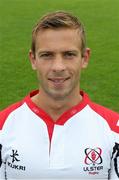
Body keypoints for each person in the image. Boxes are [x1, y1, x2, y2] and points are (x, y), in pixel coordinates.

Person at [0, 11, 119, 180]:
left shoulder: (114, 131)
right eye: (47, 55)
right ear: (33, 59)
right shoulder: (3, 128)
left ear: (85, 58)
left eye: (69, 55)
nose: (58, 66)